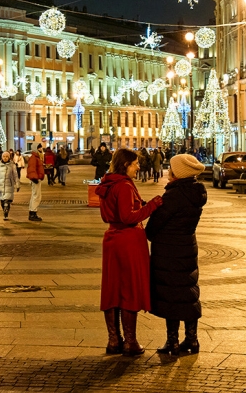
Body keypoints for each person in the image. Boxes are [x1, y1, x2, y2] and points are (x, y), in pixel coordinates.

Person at [96, 148, 163, 356]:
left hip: (112, 240)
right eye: (135, 163)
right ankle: (130, 342)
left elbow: (110, 215)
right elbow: (127, 217)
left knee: (112, 289)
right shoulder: (124, 185)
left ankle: (113, 340)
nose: (138, 167)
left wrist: (139, 204)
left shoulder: (108, 183)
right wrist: (151, 206)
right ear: (125, 165)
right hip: (128, 241)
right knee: (129, 289)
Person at [145, 154, 207, 356]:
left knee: (170, 294)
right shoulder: (196, 193)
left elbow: (154, 225)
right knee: (188, 292)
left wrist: (150, 233)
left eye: (170, 168)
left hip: (168, 250)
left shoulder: (174, 195)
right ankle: (192, 339)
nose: (168, 171)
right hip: (188, 247)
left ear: (177, 172)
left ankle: (172, 341)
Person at [0, 150, 20, 220]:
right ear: (2, 157)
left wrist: (17, 184)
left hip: (9, 185)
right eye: (4, 156)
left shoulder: (12, 165)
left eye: (6, 156)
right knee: (2, 201)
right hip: (0, 186)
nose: (5, 158)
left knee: (7, 200)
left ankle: (6, 209)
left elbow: (15, 175)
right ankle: (5, 211)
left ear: (9, 157)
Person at [25, 144, 45, 222]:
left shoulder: (37, 157)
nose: (41, 149)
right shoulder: (34, 158)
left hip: (37, 178)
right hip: (35, 179)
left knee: (36, 196)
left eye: (41, 147)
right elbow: (31, 169)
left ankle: (32, 212)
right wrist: (34, 178)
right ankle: (33, 213)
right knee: (36, 196)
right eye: (39, 147)